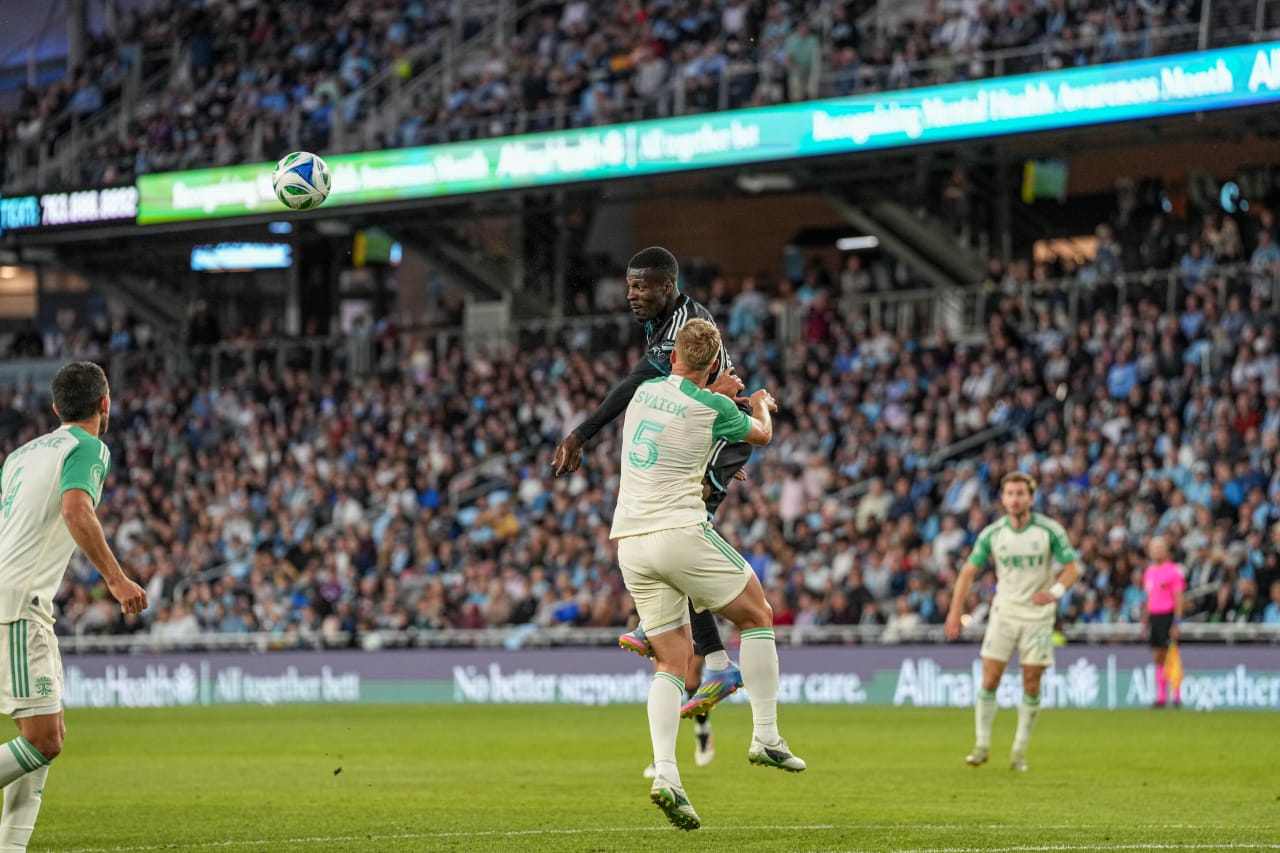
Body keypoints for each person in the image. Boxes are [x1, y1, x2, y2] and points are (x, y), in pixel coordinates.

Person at [552, 247, 751, 767]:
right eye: (629, 285)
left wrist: (581, 434)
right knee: (676, 549)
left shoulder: (683, 324)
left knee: (678, 538)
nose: (633, 294)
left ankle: (717, 665)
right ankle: (710, 663)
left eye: (643, 287)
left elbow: (640, 385)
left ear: (668, 287)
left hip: (718, 426)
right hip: (707, 430)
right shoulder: (665, 320)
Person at [609, 319, 804, 830]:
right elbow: (759, 434)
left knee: (671, 660)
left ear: (673, 357)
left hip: (629, 543)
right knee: (758, 613)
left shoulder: (645, 392)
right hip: (679, 532)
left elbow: (683, 408)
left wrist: (712, 390)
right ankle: (766, 736)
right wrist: (757, 401)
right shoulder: (717, 407)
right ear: (715, 364)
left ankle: (667, 776)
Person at [0, 362, 148, 850]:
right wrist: (117, 578)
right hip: (18, 603)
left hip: (17, 600)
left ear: (55, 407)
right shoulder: (87, 447)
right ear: (104, 404)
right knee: (46, 740)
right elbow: (75, 509)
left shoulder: (19, 455)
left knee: (41, 735)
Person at [944, 471, 1081, 772]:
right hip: (1004, 613)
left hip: (1038, 618)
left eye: (1021, 493)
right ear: (1003, 499)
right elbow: (968, 572)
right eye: (1010, 494)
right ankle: (981, 745)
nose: (1015, 499)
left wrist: (1054, 592)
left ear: (1031, 498)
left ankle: (1019, 750)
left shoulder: (1049, 531)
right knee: (990, 678)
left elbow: (1072, 568)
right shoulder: (993, 534)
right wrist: (955, 610)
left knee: (1031, 682)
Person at [1142, 537, 1186, 709]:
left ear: (1167, 550)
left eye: (1160, 547)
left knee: (1172, 655)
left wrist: (1176, 621)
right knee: (1158, 655)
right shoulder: (1150, 572)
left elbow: (1179, 597)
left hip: (1168, 615)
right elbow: (1148, 596)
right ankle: (1161, 697)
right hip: (1154, 616)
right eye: (1154, 548)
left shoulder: (1174, 571)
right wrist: (1145, 617)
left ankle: (1176, 696)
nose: (1157, 551)